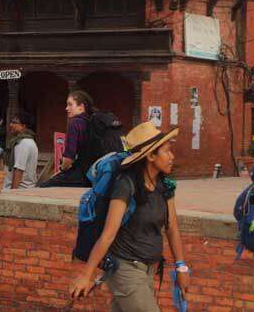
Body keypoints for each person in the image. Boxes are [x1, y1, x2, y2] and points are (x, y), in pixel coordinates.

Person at [70, 122, 187, 310]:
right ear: (150, 156)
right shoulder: (126, 185)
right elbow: (108, 234)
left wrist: (181, 266)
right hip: (125, 270)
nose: (172, 157)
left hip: (149, 271)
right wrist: (87, 274)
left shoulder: (164, 185)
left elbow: (172, 227)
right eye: (166, 151)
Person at [41, 91, 101, 188]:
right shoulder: (94, 122)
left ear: (81, 107)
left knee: (43, 188)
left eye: (70, 104)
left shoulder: (75, 123)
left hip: (81, 174)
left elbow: (68, 158)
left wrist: (62, 169)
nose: (66, 108)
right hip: (96, 173)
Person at [3, 117, 39, 191]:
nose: (11, 125)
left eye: (14, 123)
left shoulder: (23, 143)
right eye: (11, 122)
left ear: (23, 126)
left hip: (20, 189)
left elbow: (19, 170)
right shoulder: (26, 141)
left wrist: (12, 193)